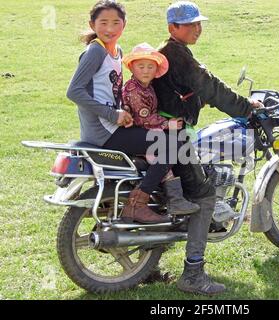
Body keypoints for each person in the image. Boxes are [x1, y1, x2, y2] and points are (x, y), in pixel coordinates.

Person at [152, 1, 264, 295]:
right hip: (172, 136)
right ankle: (193, 274)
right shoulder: (175, 54)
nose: (197, 29)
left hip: (168, 131)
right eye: (190, 24)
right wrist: (245, 107)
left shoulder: (173, 53)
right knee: (203, 195)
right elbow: (209, 85)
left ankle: (149, 265)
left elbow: (196, 92)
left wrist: (212, 101)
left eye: (199, 23)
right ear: (172, 28)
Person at [66, 0, 194, 225]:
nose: (110, 28)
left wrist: (124, 110)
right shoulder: (95, 52)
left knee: (164, 139)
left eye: (116, 23)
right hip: (102, 132)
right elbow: (74, 91)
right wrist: (112, 114)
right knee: (169, 145)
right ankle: (138, 205)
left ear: (124, 25)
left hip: (113, 126)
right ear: (92, 24)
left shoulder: (116, 52)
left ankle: (159, 196)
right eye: (103, 22)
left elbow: (112, 91)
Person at [121, 43, 199, 216]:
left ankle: (170, 197)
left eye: (150, 66)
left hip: (146, 130)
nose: (146, 70)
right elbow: (143, 118)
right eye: (141, 66)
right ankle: (172, 198)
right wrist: (167, 123)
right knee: (166, 152)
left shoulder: (146, 86)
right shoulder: (134, 89)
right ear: (132, 67)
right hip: (139, 131)